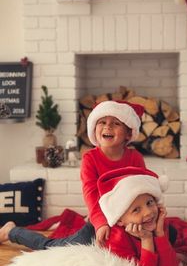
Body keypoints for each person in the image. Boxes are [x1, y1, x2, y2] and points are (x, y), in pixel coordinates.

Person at [0, 100, 147, 249]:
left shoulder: (135, 158)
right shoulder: (90, 159)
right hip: (100, 221)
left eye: (116, 123)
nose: (107, 126)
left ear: (128, 133)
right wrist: (100, 222)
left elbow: (143, 191)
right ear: (94, 129)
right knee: (52, 248)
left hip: (129, 220)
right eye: (102, 122)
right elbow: (91, 194)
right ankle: (11, 231)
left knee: (165, 236)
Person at [98, 166, 179, 266]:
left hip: (150, 227)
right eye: (136, 210)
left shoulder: (158, 223)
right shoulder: (117, 240)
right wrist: (147, 239)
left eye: (149, 202)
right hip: (94, 231)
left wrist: (160, 233)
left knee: (173, 232)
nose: (148, 212)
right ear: (120, 220)